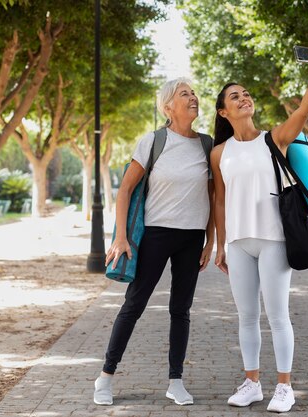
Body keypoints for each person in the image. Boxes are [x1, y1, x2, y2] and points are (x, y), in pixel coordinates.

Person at [210, 45, 308, 413]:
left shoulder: (273, 138)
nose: (244, 99)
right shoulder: (219, 153)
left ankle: (285, 387)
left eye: (246, 94)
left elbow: (303, 111)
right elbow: (220, 200)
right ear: (223, 111)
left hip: (275, 239)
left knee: (277, 315)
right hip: (240, 243)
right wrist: (221, 245)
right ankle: (252, 383)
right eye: (235, 97)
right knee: (246, 316)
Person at [93, 78, 215, 407]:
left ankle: (176, 381)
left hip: (192, 237)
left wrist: (210, 241)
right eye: (184, 94)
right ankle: (105, 377)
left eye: (193, 93)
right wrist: (121, 236)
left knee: (181, 310)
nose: (193, 97)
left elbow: (213, 195)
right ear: (167, 107)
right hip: (156, 234)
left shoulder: (207, 144)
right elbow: (126, 190)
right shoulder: (153, 142)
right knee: (134, 305)